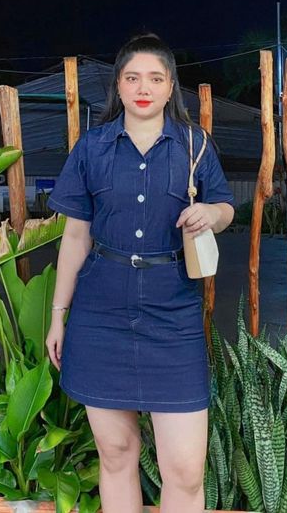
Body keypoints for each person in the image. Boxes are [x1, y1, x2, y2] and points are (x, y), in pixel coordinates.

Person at [45, 33, 234, 513]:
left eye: (155, 78)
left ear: (171, 87)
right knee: (116, 453)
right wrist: (58, 316)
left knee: (185, 470)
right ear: (119, 86)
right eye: (132, 78)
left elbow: (225, 207)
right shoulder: (92, 147)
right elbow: (75, 238)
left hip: (173, 315)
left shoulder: (194, 145)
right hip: (101, 314)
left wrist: (210, 214)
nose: (143, 88)